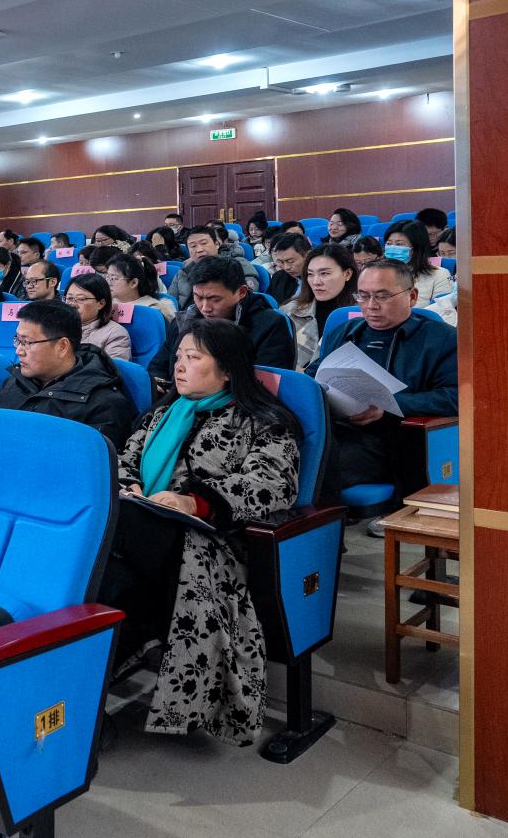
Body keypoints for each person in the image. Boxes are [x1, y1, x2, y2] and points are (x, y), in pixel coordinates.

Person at [105, 317, 299, 745]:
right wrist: (129, 485)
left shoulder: (261, 421)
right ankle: (76, 689)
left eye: (193, 358)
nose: (179, 366)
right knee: (111, 577)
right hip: (142, 525)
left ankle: (73, 693)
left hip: (210, 542)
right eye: (178, 356)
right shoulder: (162, 412)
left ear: (227, 369)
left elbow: (273, 485)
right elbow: (122, 459)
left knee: (107, 560)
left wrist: (195, 502)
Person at [306, 258, 457, 527]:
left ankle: (322, 537)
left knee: (315, 463)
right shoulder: (345, 332)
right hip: (335, 428)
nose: (371, 306)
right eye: (363, 296)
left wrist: (391, 405)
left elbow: (455, 397)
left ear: (412, 296)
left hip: (392, 441)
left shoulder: (441, 339)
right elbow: (314, 374)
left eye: (382, 296)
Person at [0, 300, 135, 449]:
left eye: (27, 342)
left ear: (62, 346)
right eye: (18, 340)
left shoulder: (103, 404)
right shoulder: (13, 383)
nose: (18, 351)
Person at [153, 256, 296, 379]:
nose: (205, 308)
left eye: (215, 299)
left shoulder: (269, 325)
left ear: (241, 292)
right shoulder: (184, 321)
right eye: (198, 297)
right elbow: (158, 367)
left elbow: (266, 384)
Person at [280, 243, 359, 370]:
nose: (316, 282)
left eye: (325, 274)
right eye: (310, 274)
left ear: (347, 274)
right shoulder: (290, 311)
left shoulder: (363, 315)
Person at [169, 227, 258, 310]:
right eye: (193, 246)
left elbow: (249, 292)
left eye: (204, 243)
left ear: (217, 244)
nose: (199, 250)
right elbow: (170, 302)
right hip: (187, 317)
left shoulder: (237, 263)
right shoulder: (183, 272)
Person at [383, 219, 452, 306]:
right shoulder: (378, 274)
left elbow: (442, 309)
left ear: (416, 247)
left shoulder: (440, 274)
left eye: (399, 244)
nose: (393, 248)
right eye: (389, 244)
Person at [65, 272, 131, 360]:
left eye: (81, 299)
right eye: (69, 298)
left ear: (101, 303)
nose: (73, 304)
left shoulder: (115, 334)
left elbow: (112, 367)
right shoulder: (57, 326)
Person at [104, 253, 175, 322]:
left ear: (133, 283)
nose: (108, 283)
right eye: (107, 277)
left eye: (114, 278)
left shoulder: (152, 311)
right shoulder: (105, 304)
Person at [266, 233, 312, 306]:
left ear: (308, 255)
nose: (286, 267)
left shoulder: (319, 281)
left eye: (291, 261)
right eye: (281, 262)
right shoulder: (278, 277)